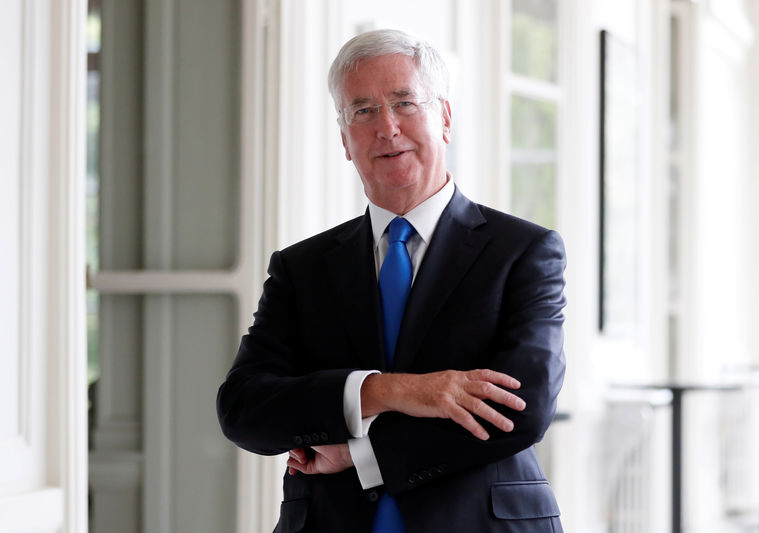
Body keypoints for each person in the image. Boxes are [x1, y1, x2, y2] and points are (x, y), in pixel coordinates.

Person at [217, 28, 566, 533]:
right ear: (344, 140)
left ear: (443, 118)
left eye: (404, 102)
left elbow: (520, 410)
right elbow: (244, 408)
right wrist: (391, 391)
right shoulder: (302, 268)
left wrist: (364, 456)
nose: (386, 127)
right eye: (363, 111)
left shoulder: (523, 252)